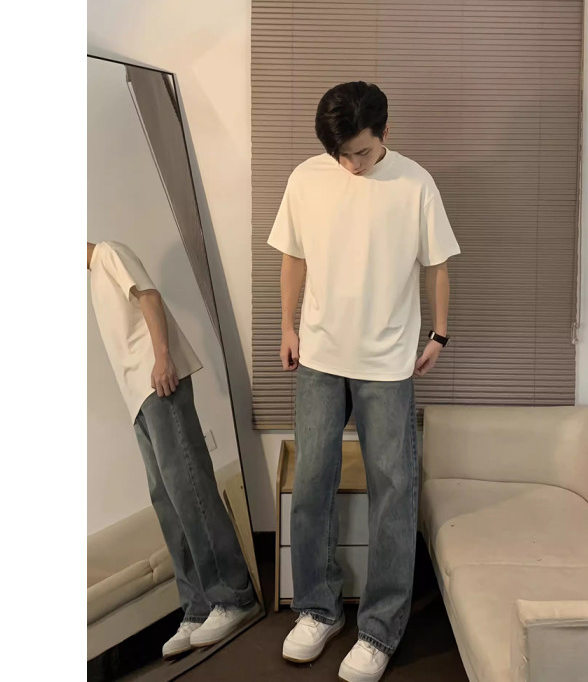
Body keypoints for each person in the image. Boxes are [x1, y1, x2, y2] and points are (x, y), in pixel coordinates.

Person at [267, 81, 461, 682]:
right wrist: (287, 326)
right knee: (312, 483)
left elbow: (437, 264)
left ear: (385, 133)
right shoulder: (306, 177)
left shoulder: (415, 183)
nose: (351, 165)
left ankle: (379, 629)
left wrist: (440, 335)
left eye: (361, 152)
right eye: (341, 154)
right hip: (320, 355)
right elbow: (293, 256)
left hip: (388, 363)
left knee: (393, 493)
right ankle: (317, 609)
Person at [87, 240, 256, 659]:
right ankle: (198, 606)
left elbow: (150, 296)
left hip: (158, 382)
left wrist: (163, 358)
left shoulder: (107, 252)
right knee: (166, 500)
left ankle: (234, 594)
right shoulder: (95, 275)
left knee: (189, 488)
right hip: (138, 400)